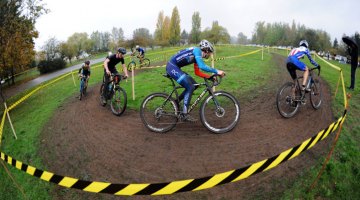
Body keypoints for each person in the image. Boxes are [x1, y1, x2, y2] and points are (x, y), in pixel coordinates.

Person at [165, 39, 225, 122]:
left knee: (194, 85)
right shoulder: (197, 51)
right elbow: (202, 66)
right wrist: (217, 71)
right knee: (190, 87)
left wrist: (209, 77)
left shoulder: (197, 55)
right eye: (210, 52)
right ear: (206, 50)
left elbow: (197, 72)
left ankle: (176, 102)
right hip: (172, 67)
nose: (210, 54)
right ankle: (184, 114)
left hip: (175, 67)